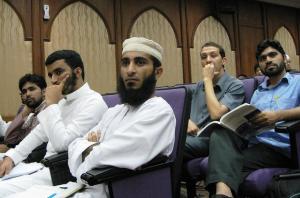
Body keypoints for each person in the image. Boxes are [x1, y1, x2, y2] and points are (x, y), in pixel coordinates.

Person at [64, 37, 176, 197]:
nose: (130, 70)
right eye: (125, 63)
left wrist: (93, 146)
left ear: (157, 72)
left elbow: (106, 154)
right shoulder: (114, 111)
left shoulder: (159, 111)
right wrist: (97, 147)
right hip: (85, 189)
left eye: (140, 62)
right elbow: (74, 146)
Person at [196, 39, 300, 198]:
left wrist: (278, 116)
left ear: (284, 58)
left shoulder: (297, 82)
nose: (268, 60)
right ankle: (223, 193)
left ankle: (223, 193)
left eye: (272, 55)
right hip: (256, 143)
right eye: (263, 58)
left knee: (223, 166)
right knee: (220, 132)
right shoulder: (259, 91)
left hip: (283, 146)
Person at [0, 50, 108, 197]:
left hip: (63, 174)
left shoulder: (93, 103)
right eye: (51, 74)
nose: (53, 80)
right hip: (44, 168)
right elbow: (38, 134)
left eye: (58, 72)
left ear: (77, 72)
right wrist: (12, 158)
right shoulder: (62, 102)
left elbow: (61, 144)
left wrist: (51, 105)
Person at [184, 42, 245, 160]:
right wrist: (186, 121)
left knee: (171, 145)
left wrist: (208, 79)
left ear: (224, 61)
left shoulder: (235, 85)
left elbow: (216, 114)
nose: (208, 60)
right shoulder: (198, 86)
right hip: (189, 136)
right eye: (204, 57)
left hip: (211, 139)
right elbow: (180, 110)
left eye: (213, 55)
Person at [0, 74, 47, 154]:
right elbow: (9, 139)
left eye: (31, 89)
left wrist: (11, 151)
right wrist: (25, 112)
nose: (27, 94)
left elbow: (36, 145)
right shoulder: (27, 110)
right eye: (24, 91)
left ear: (43, 91)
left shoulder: (48, 109)